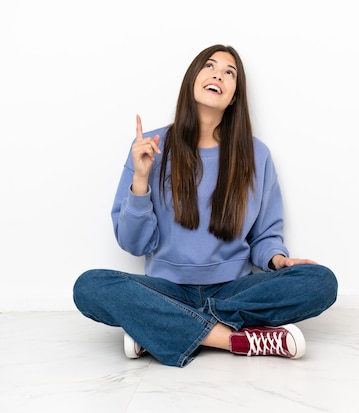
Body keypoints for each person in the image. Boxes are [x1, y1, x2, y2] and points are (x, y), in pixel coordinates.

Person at [73, 44, 338, 368]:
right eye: (209, 66)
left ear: (234, 96)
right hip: (168, 289)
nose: (218, 75)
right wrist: (140, 179)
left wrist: (278, 259)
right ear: (192, 79)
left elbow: (265, 235)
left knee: (319, 281)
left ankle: (160, 328)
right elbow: (133, 244)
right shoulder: (151, 148)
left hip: (233, 291)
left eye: (230, 73)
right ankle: (233, 339)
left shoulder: (257, 155)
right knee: (89, 286)